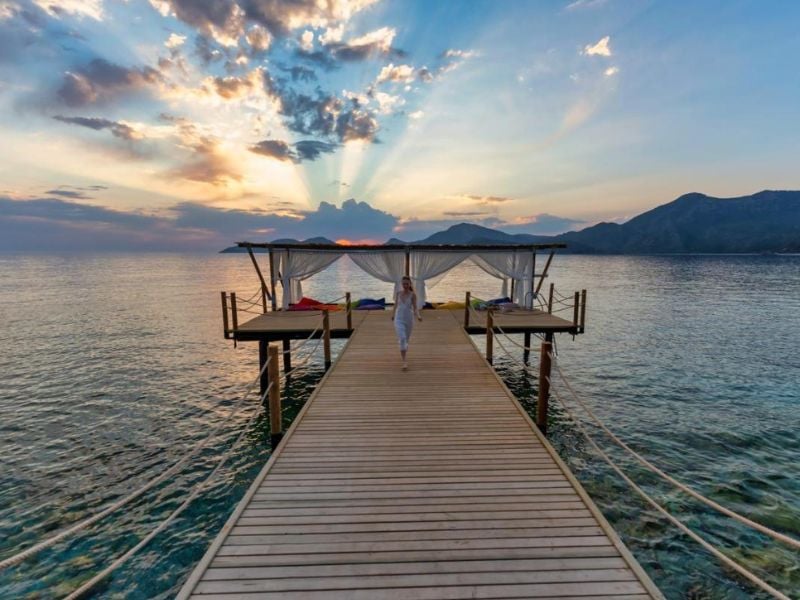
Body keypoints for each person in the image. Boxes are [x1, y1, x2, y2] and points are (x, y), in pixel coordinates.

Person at [391, 275, 422, 370]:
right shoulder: (398, 293)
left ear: (410, 284)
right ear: (402, 284)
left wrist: (418, 316)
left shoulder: (413, 295)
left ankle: (404, 346)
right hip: (398, 319)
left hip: (409, 319)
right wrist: (393, 315)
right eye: (403, 283)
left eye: (407, 284)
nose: (405, 285)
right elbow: (395, 305)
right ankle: (404, 362)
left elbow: (415, 308)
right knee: (402, 338)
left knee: (406, 340)